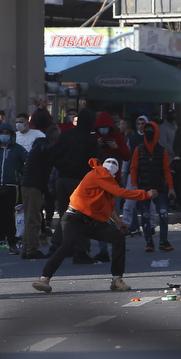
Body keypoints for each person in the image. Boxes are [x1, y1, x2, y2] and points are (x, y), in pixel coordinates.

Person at [32, 157, 157, 293]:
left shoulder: (107, 181)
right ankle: (44, 278)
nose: (111, 165)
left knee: (118, 238)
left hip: (92, 221)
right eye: (110, 162)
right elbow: (120, 192)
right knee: (67, 245)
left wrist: (118, 222)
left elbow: (109, 206)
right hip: (75, 218)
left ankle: (117, 280)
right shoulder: (98, 174)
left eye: (114, 163)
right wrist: (145, 194)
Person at [48, 108, 103, 263]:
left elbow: (53, 154)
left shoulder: (66, 135)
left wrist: (61, 168)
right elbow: (97, 161)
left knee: (65, 215)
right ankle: (80, 251)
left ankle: (57, 245)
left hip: (62, 179)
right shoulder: (89, 139)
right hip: (79, 181)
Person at [130, 121, 177, 252]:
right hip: (144, 188)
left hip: (159, 187)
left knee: (163, 214)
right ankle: (149, 241)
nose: (149, 133)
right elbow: (134, 168)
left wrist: (171, 187)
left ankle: (163, 240)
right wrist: (134, 185)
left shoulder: (162, 151)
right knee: (145, 216)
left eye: (151, 130)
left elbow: (166, 170)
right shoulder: (139, 150)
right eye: (147, 130)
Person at [0, 123, 28, 255]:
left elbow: (28, 162)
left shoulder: (17, 149)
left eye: (7, 133)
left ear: (11, 135)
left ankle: (12, 244)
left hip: (11, 187)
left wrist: (20, 172)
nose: (4, 135)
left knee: (9, 216)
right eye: (2, 133)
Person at [93, 111, 131, 263]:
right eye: (101, 128)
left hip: (114, 183)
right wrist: (96, 146)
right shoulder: (94, 138)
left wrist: (116, 147)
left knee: (114, 216)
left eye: (106, 128)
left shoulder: (118, 137)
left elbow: (127, 155)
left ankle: (116, 247)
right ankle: (103, 250)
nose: (104, 131)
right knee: (101, 218)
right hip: (98, 183)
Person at [21, 125, 60, 259]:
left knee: (30, 217)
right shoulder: (43, 145)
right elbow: (46, 150)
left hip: (29, 184)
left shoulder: (38, 145)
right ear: (56, 137)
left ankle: (27, 247)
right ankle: (31, 249)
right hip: (34, 185)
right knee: (34, 218)